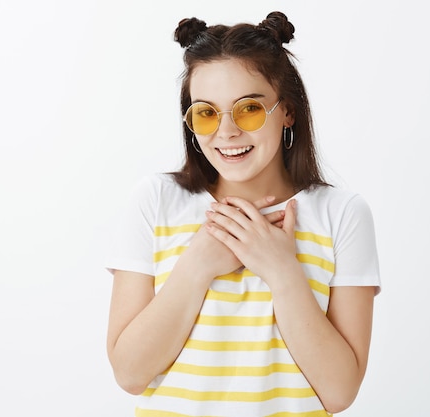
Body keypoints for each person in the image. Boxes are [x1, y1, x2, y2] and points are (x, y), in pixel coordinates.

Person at [105, 11, 381, 417]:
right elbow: (130, 374)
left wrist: (283, 272)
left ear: (287, 111)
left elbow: (339, 392)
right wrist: (197, 265)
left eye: (249, 109)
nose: (227, 131)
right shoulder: (155, 201)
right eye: (206, 112)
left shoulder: (342, 214)